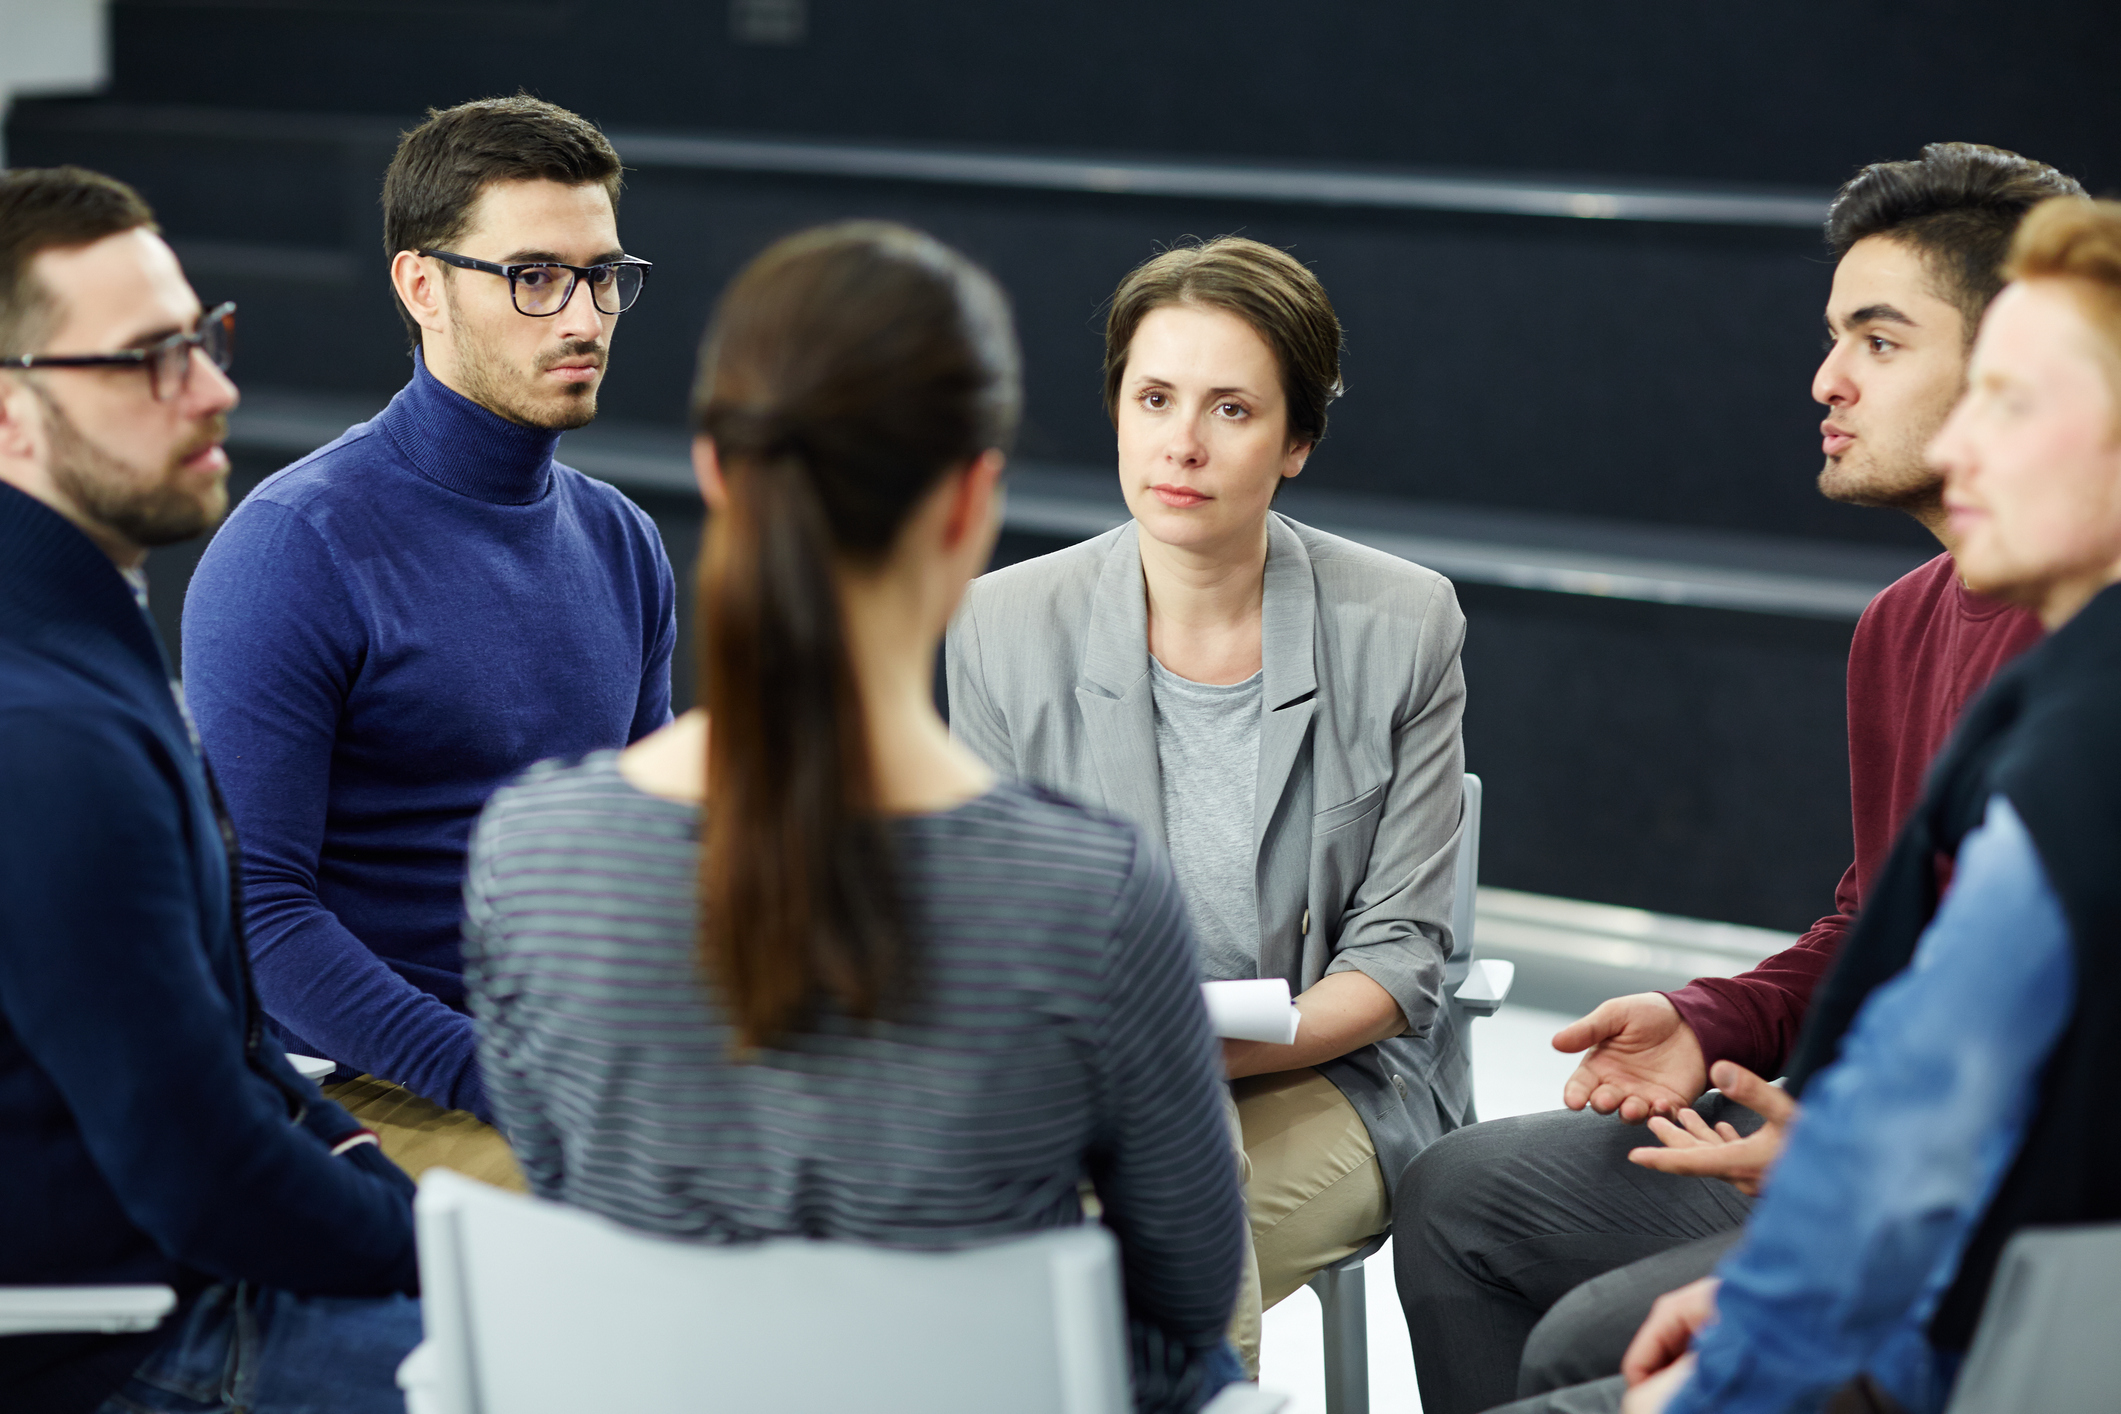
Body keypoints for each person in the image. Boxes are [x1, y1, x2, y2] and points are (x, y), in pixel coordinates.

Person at [462, 222, 1247, 1414]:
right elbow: (1187, 1298)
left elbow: (575, 1204)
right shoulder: (1086, 895)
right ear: (972, 499)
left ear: (719, 470)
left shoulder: (532, 855)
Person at [1393, 141, 2080, 1414]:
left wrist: (1842, 1178)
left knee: (1586, 1344)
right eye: (1833, 337)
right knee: (1458, 1189)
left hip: (1970, 1218)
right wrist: (1711, 1019)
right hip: (1853, 1151)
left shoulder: (2083, 670)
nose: (1825, 379)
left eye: (1879, 340)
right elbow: (1871, 925)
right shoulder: (1902, 622)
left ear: (2013, 371)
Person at [1609, 191, 2121, 1414]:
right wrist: (1718, 1016)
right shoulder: (1955, 645)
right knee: (1483, 1198)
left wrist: (1732, 1372)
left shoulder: (2081, 751)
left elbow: (1930, 1122)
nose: (1963, 449)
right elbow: (1880, 946)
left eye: (2014, 401)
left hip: (1987, 1316)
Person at [946, 236, 1468, 1371]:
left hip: (1328, 1079)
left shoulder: (1405, 624)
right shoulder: (1000, 623)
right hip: (1080, 1085)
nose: (1181, 441)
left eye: (1232, 408)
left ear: (1297, 443)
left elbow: (1398, 962)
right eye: (1155, 397)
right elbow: (990, 932)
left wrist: (1174, 1062)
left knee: (1117, 1263)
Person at [180, 96, 677, 1188]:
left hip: (585, 1067)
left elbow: (647, 863)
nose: (585, 318)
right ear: (422, 286)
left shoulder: (623, 541)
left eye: (604, 276)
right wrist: (500, 1074)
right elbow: (256, 918)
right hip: (391, 1085)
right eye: (535, 276)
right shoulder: (293, 547)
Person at [0, 166, 418, 1414]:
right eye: (147, 360)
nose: (216, 388)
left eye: (203, 337)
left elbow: (217, 1042)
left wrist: (353, 1154)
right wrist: (456, 1255)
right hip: (122, 1340)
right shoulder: (47, 731)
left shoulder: (71, 623)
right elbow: (204, 1178)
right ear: (12, 416)